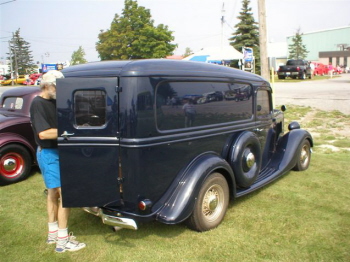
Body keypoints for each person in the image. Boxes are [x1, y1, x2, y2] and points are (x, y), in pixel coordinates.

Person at [30, 70, 86, 253]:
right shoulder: (38, 103)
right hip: (49, 153)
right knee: (66, 195)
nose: (59, 90)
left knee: (53, 193)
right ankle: (63, 241)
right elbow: (44, 133)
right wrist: (69, 129)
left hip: (59, 151)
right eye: (56, 86)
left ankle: (53, 233)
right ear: (46, 85)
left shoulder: (56, 101)